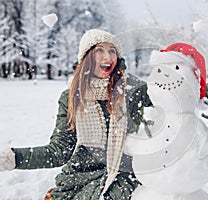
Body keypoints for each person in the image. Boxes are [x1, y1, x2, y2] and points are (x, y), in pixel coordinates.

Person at [0, 29, 152, 200]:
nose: (107, 57)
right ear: (86, 57)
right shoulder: (71, 97)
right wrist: (11, 158)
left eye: (112, 51)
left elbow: (168, 98)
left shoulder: (133, 89)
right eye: (99, 51)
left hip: (123, 175)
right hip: (80, 178)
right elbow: (59, 152)